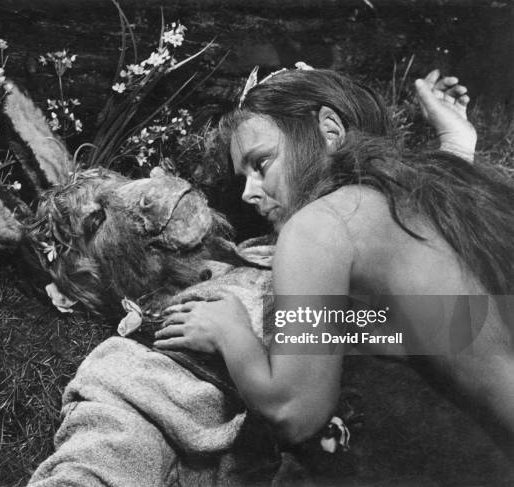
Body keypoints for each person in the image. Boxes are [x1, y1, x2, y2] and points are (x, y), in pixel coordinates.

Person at [154, 66, 514, 452]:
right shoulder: (421, 189)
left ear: (330, 130)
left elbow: (295, 414)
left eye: (261, 164)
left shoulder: (319, 226)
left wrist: (231, 333)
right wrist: (456, 142)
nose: (248, 194)